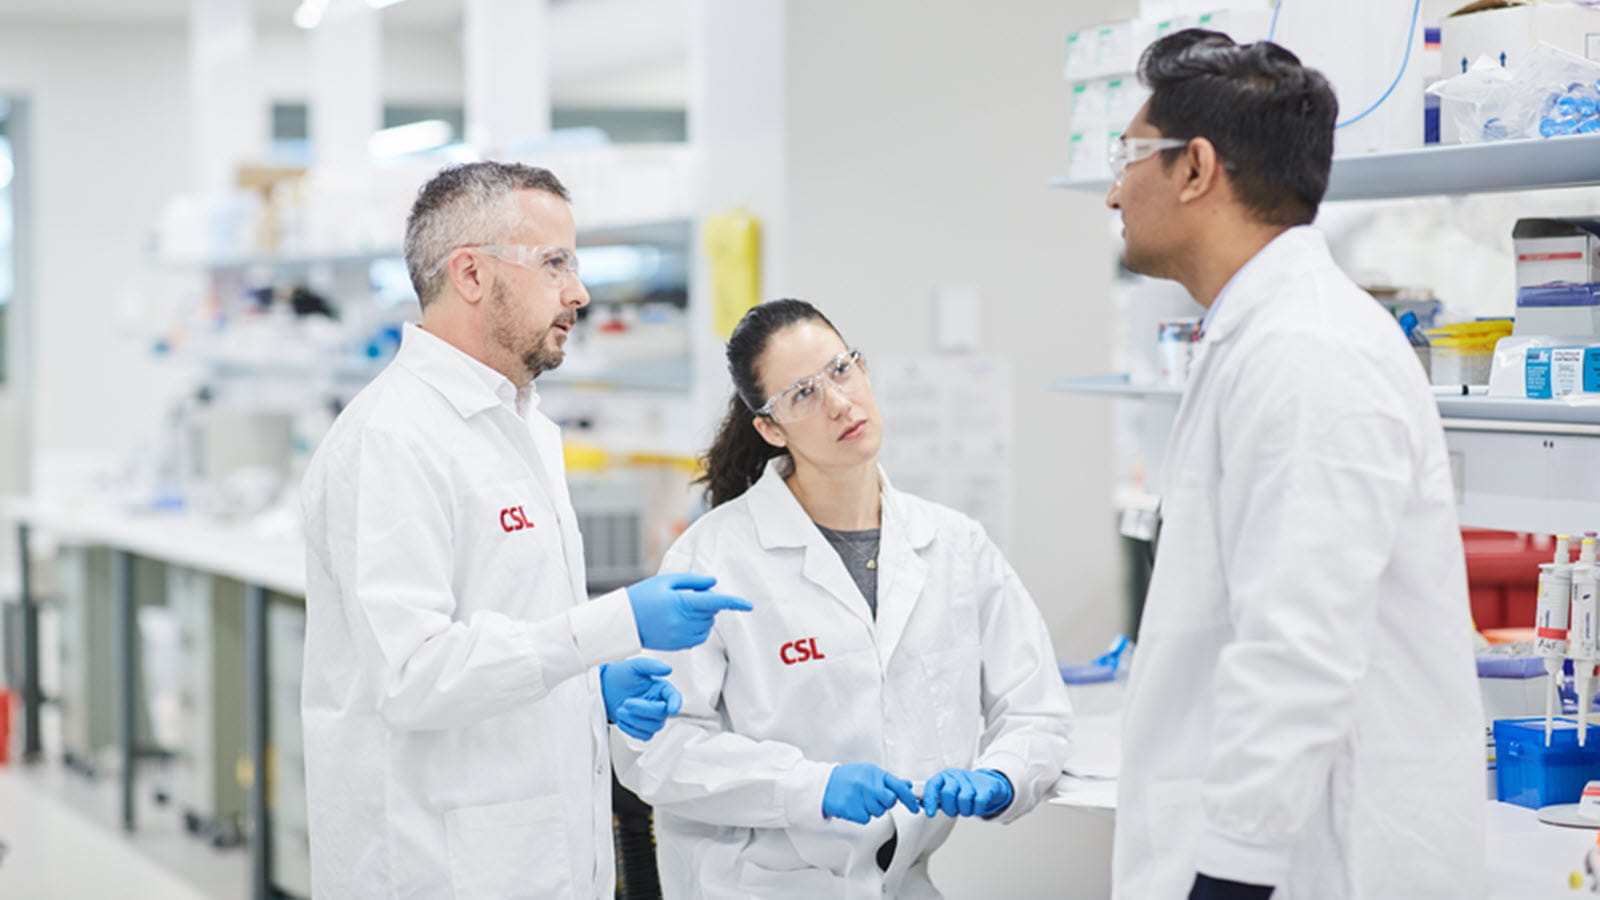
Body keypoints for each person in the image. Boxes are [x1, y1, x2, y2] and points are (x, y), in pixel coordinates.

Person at [299, 161, 751, 899]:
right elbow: (415, 676)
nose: (580, 291)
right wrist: (611, 626)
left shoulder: (523, 423)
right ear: (471, 274)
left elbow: (514, 629)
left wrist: (587, 686)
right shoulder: (392, 438)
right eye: (554, 263)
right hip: (438, 863)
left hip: (539, 853)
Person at [1105, 30, 1485, 900]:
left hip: (1317, 865)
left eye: (1129, 157)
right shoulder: (1261, 336)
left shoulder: (1308, 352)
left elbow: (1298, 647)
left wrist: (1228, 881)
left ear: (1195, 169)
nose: (1113, 192)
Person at [611, 298, 1074, 898]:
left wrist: (1005, 775)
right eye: (801, 394)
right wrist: (807, 787)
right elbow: (657, 750)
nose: (838, 402)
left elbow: (1036, 709)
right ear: (770, 429)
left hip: (904, 882)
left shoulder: (956, 547)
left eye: (840, 370)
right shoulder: (714, 559)